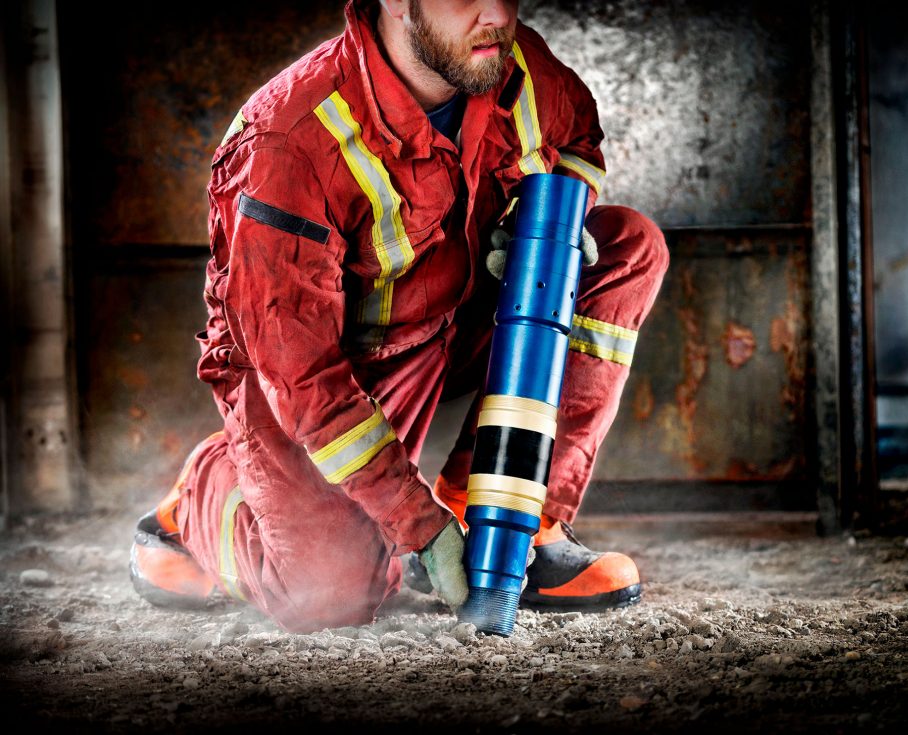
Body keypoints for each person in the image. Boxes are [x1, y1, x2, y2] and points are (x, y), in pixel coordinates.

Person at [129, 0, 669, 632]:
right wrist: (415, 522)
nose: (495, 12)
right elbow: (300, 373)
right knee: (330, 592)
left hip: (458, 312)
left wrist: (549, 223)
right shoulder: (292, 139)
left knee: (626, 248)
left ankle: (508, 515)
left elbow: (575, 140)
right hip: (326, 369)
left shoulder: (512, 63)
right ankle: (205, 491)